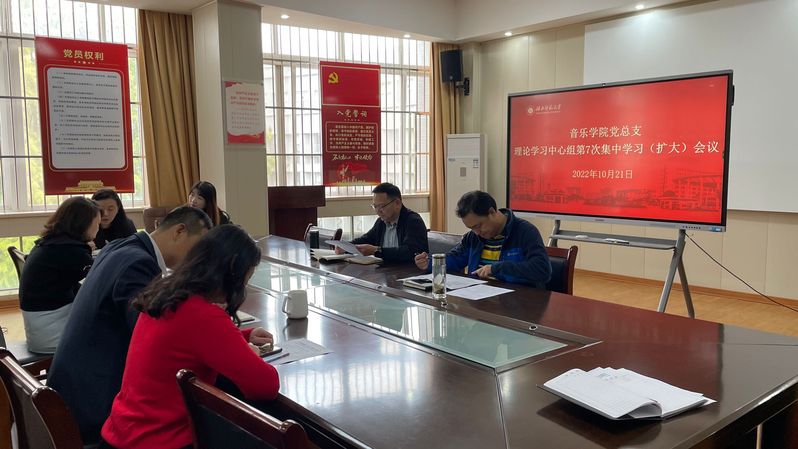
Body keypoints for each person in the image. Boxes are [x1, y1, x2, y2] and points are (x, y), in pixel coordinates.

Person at [99, 225, 279, 449]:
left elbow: (185, 341)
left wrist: (243, 337)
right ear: (232, 272)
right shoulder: (203, 316)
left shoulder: (166, 295)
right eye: (245, 280)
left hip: (121, 433)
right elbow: (265, 386)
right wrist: (251, 354)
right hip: (159, 441)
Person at [48, 206, 213, 443]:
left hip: (70, 387)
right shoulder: (139, 264)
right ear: (179, 231)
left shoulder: (120, 247)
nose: (199, 258)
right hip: (95, 404)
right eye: (198, 247)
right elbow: (152, 338)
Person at [414, 191, 551, 288]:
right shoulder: (473, 237)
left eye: (478, 226)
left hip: (518, 302)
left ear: (492, 212)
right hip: (480, 298)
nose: (477, 232)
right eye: (471, 228)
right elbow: (455, 259)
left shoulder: (525, 232)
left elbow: (543, 270)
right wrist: (430, 263)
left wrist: (497, 268)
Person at [18, 197, 101, 353]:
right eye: (97, 224)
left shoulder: (51, 243)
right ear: (84, 224)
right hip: (52, 335)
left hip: (40, 329)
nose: (98, 229)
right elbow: (101, 277)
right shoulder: (71, 251)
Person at [342, 182, 428, 263]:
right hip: (386, 270)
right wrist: (345, 246)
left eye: (382, 206)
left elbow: (409, 252)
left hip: (408, 271)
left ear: (397, 203)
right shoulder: (381, 222)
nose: (378, 211)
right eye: (375, 206)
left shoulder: (413, 221)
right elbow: (366, 239)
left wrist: (377, 251)